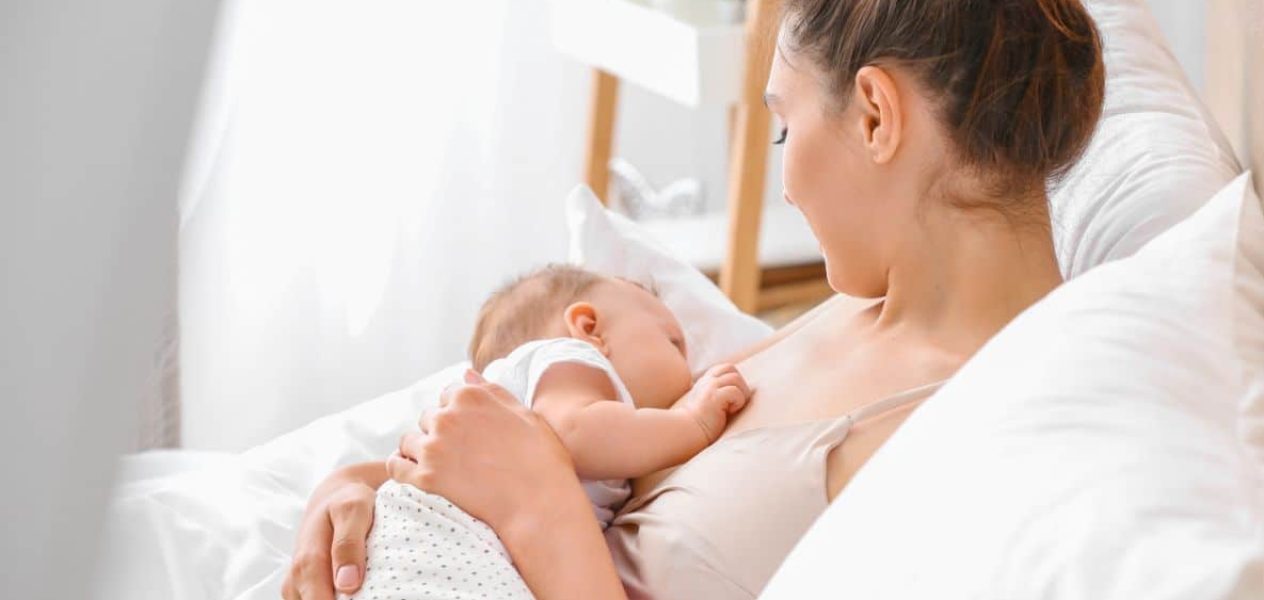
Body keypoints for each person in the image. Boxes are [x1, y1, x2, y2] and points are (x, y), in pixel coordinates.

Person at [282, 0, 1105, 597]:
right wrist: (355, 488)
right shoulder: (847, 319)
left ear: (876, 117)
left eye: (784, 127)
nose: (785, 185)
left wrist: (539, 512)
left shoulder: (967, 425)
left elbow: (550, 488)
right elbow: (589, 455)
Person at [347, 265, 749, 599]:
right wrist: (690, 421)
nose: (689, 366)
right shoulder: (566, 359)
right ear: (590, 328)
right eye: (673, 342)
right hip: (442, 550)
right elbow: (576, 432)